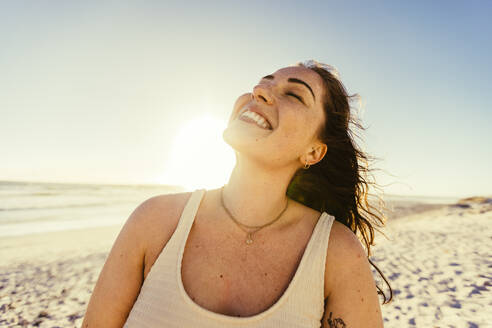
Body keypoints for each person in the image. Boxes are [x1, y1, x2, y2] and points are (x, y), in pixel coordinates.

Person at [82, 59, 392, 327]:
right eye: (261, 84)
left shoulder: (335, 254)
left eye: (294, 95)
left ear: (313, 151)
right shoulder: (154, 222)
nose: (259, 93)